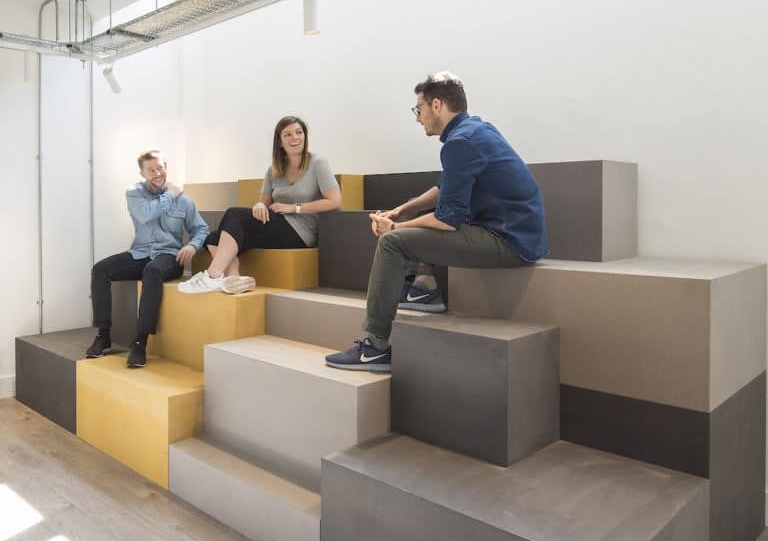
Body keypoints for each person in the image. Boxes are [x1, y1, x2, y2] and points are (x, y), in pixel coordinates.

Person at [326, 72, 548, 372]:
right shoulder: (474, 130)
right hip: (515, 231)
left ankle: (376, 346)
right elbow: (444, 190)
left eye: (419, 109)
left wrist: (395, 228)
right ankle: (423, 287)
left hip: (510, 240)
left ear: (438, 105)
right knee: (414, 223)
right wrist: (399, 210)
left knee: (393, 243)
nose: (418, 118)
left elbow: (447, 219)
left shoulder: (461, 142)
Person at [178, 115, 341, 293]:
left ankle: (213, 276)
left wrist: (294, 208)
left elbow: (335, 200)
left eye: (298, 132)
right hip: (277, 224)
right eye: (287, 134)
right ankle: (234, 280)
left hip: (301, 231)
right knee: (213, 237)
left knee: (233, 214)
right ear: (279, 141)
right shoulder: (274, 169)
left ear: (305, 136)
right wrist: (259, 206)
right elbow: (263, 202)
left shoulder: (318, 163)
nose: (294, 138)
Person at [86, 150, 208, 368]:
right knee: (100, 269)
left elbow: (201, 229)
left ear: (166, 167)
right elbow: (145, 215)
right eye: (151, 170)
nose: (157, 173)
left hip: (169, 257)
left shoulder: (185, 202)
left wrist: (192, 245)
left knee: (152, 271)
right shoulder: (134, 193)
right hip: (140, 252)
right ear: (142, 173)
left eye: (160, 167)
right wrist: (170, 194)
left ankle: (140, 341)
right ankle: (103, 335)